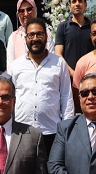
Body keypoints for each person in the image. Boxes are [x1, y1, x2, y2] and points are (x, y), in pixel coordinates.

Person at [8, 18, 74, 155]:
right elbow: (10, 99)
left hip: (51, 132)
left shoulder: (59, 63)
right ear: (26, 38)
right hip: (22, 132)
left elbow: (66, 97)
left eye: (39, 34)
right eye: (31, 35)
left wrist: (66, 130)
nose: (35, 38)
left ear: (46, 36)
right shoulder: (16, 66)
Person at [54, 0, 92, 77]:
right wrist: (72, 73)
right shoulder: (62, 27)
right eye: (74, 1)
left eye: (80, 1)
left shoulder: (93, 28)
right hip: (67, 79)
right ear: (69, 6)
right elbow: (58, 54)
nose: (77, 4)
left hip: (90, 77)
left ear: (85, 4)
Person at [6, 0, 38, 64]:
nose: (26, 14)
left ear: (35, 10)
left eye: (29, 9)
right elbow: (10, 65)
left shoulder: (46, 33)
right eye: (21, 11)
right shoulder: (13, 37)